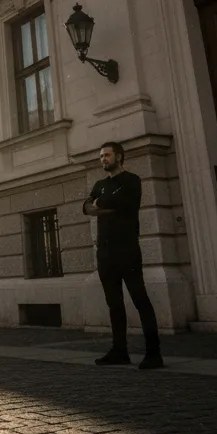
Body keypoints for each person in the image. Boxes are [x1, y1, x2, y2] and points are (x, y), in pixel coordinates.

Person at [86, 140, 163, 370]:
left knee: (140, 300)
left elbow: (124, 204)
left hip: (127, 250)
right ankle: (120, 351)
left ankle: (154, 353)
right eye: (101, 156)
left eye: (107, 155)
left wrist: (101, 205)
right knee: (114, 304)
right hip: (105, 253)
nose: (103, 159)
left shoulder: (132, 181)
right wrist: (103, 205)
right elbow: (86, 207)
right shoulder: (99, 184)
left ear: (119, 157)